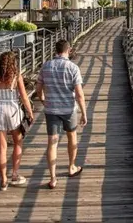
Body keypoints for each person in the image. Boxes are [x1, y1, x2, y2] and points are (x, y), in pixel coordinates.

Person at [36, 39, 87, 189]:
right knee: (72, 136)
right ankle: (71, 167)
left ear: (56, 50)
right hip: (68, 109)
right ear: (68, 50)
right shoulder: (73, 68)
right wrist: (84, 113)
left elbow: (38, 89)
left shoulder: (46, 66)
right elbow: (79, 94)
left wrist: (43, 100)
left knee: (52, 142)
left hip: (51, 109)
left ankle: (53, 178)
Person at [0, 51, 34, 190]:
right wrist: (30, 112)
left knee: (2, 146)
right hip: (13, 110)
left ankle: (3, 180)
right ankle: (14, 174)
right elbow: (24, 97)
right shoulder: (16, 76)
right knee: (18, 142)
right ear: (13, 63)